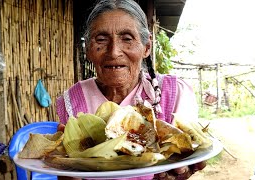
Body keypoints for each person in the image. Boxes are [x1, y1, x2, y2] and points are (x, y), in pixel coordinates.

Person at [56, 0, 206, 179]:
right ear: (88, 49)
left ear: (146, 47)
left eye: (127, 39)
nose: (113, 52)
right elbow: (67, 167)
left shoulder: (174, 93)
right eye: (101, 40)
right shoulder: (72, 99)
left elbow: (192, 153)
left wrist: (184, 168)